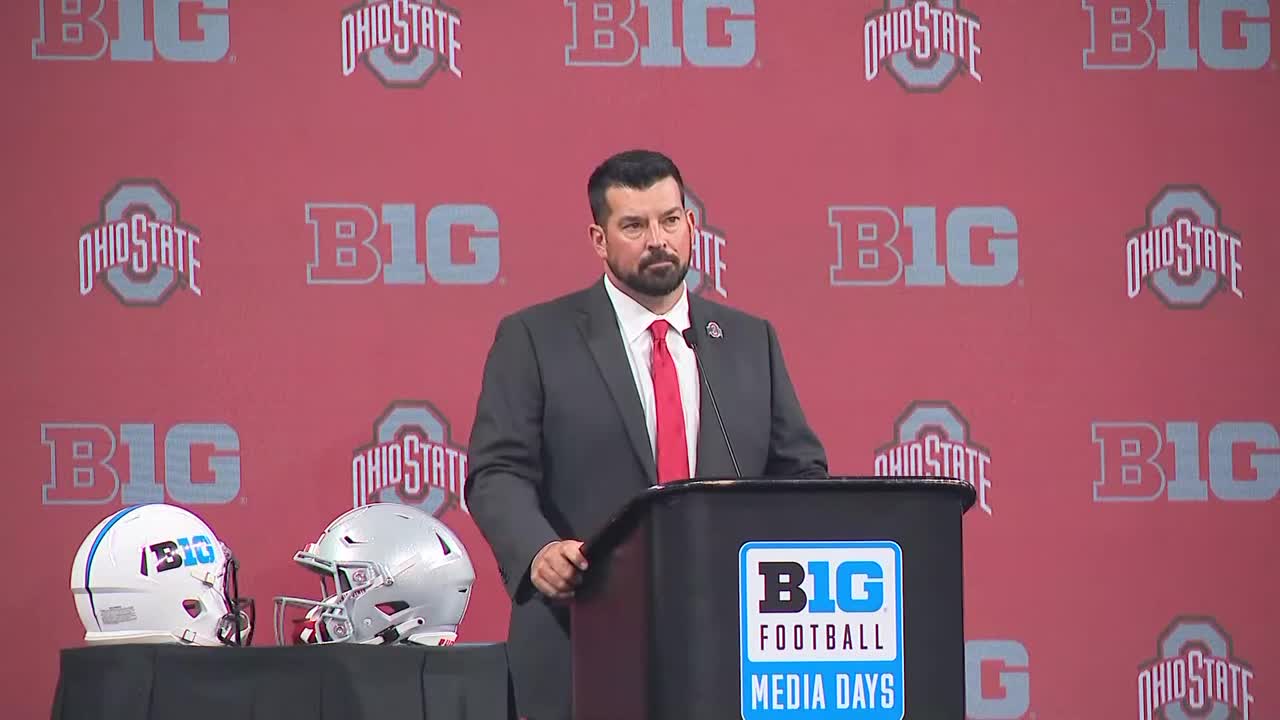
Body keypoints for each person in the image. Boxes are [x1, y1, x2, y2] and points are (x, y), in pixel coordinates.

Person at [464, 148, 828, 720]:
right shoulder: (535, 338)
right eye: (633, 225)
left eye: (670, 220)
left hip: (733, 651)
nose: (658, 239)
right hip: (583, 639)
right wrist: (538, 551)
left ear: (690, 224)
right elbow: (497, 470)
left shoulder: (748, 340)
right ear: (599, 239)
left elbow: (802, 473)